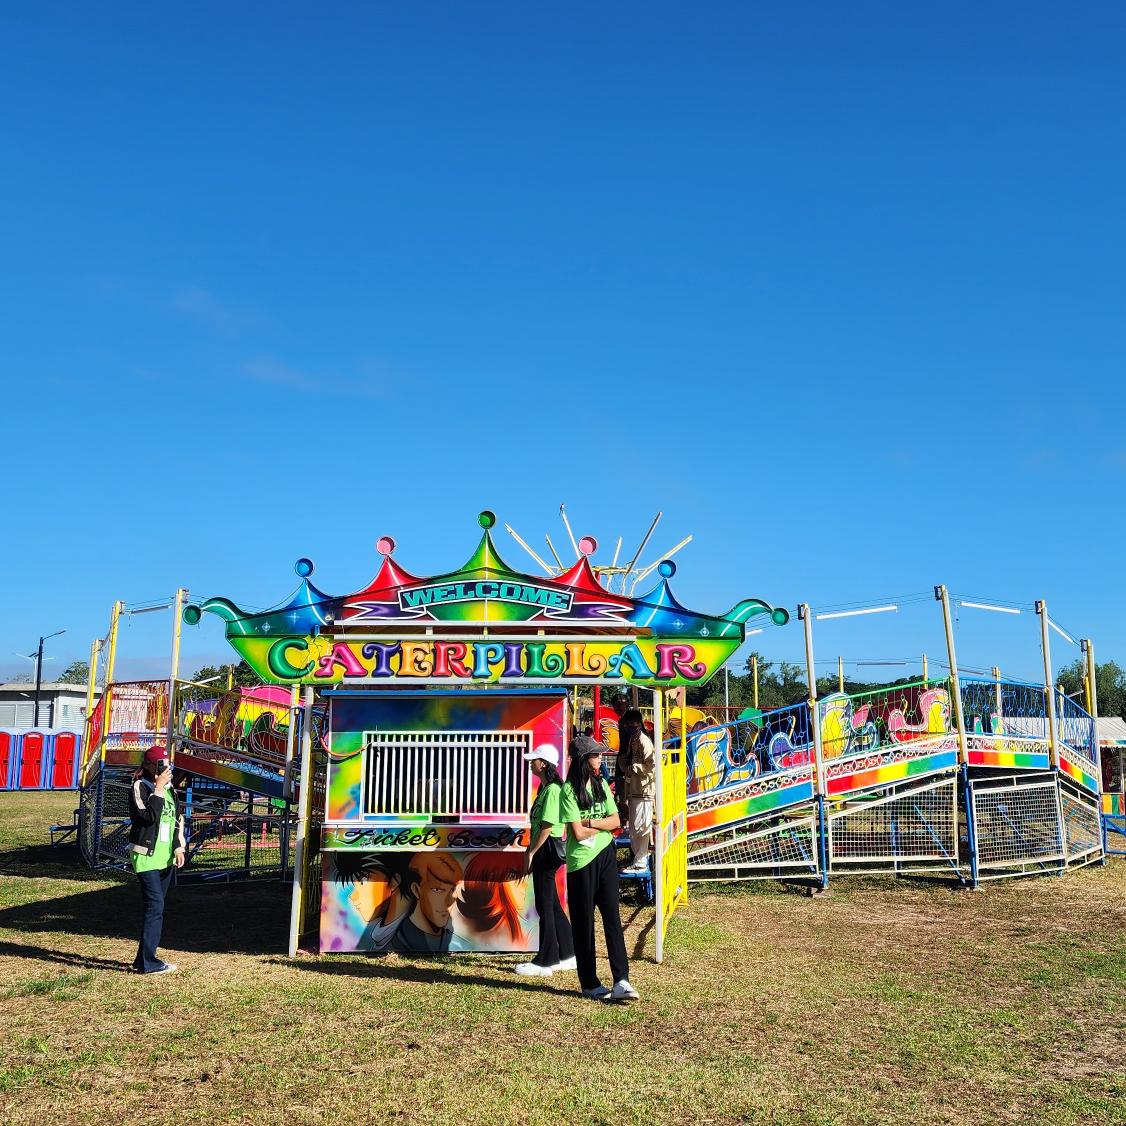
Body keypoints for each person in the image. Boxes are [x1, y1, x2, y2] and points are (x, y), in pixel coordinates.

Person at [559, 735, 639, 1002]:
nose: (599, 758)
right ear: (583, 758)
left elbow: (616, 819)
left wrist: (590, 820)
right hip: (581, 862)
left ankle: (621, 980)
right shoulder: (567, 790)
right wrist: (596, 823)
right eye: (594, 755)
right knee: (584, 924)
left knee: (612, 918)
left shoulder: (601, 782)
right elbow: (577, 834)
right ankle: (589, 982)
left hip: (605, 854)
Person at [513, 744, 575, 977]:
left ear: (545, 764)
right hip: (545, 849)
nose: (531, 762)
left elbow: (548, 827)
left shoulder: (552, 791)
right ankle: (568, 954)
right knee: (552, 904)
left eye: (535, 759)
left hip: (546, 850)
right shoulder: (546, 788)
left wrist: (531, 852)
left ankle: (545, 960)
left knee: (544, 905)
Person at [128, 743, 186, 975]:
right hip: (146, 856)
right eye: (160, 764)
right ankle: (148, 963)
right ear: (149, 765)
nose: (165, 768)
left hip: (165, 858)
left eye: (167, 764)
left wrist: (178, 848)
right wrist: (158, 788)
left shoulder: (171, 789)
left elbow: (174, 820)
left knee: (155, 908)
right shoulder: (140, 787)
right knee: (155, 907)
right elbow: (148, 817)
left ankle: (142, 959)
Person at [389, 852, 462, 954]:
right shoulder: (400, 941)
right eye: (437, 890)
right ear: (416, 890)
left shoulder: (451, 939)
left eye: (452, 890)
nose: (449, 901)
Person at [619, 708, 655, 874]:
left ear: (638, 724)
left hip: (644, 789)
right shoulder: (633, 740)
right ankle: (638, 859)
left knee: (641, 827)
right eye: (627, 724)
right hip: (634, 789)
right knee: (634, 828)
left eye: (632, 724)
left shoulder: (644, 741)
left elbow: (652, 766)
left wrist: (634, 767)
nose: (629, 727)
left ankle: (641, 862)